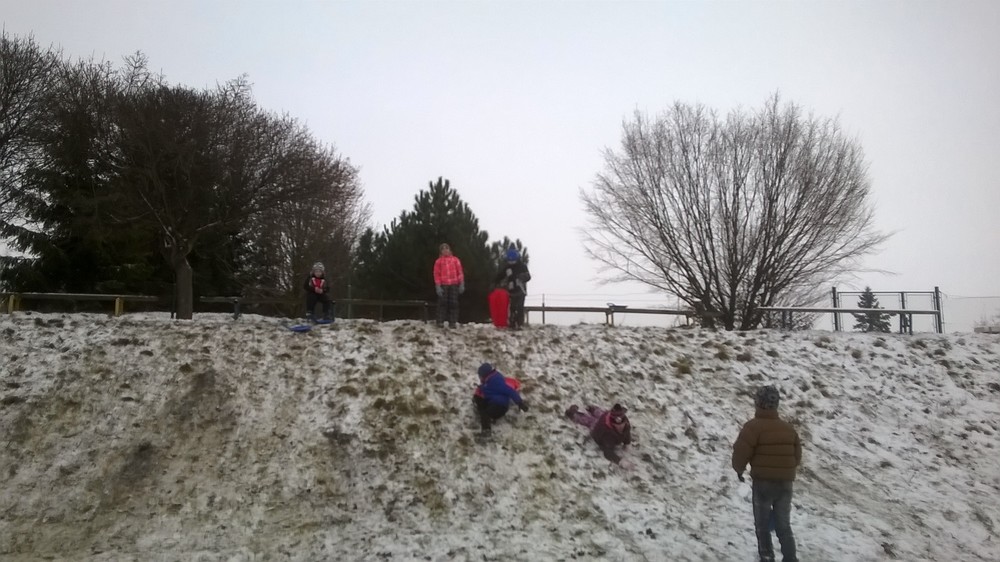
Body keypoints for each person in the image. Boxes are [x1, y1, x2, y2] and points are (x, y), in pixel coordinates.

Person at [732, 385, 802, 562]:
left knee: (762, 525)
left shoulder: (752, 427)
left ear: (758, 403)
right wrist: (784, 471)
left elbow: (741, 452)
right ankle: (790, 558)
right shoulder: (788, 429)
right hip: (785, 484)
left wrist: (739, 469)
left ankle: (767, 557)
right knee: (783, 524)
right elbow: (797, 456)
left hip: (763, 484)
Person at [564, 402, 633, 468]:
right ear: (613, 424)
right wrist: (620, 461)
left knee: (602, 413)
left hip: (605, 416)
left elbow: (626, 432)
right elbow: (608, 452)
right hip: (597, 428)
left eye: (622, 424)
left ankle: (592, 409)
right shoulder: (608, 435)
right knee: (589, 420)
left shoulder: (625, 423)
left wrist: (627, 443)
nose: (621, 426)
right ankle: (573, 413)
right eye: (618, 425)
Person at [473, 362, 528, 436]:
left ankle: (486, 432)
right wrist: (481, 388)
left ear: (484, 375)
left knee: (485, 414)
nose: (479, 378)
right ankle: (485, 415)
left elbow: (510, 391)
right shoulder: (490, 380)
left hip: (499, 406)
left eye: (480, 376)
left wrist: (520, 403)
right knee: (478, 399)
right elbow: (489, 389)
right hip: (494, 403)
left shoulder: (496, 381)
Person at [494, 247, 531, 329]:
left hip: (521, 290)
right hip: (511, 291)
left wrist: (522, 277)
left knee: (520, 306)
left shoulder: (522, 266)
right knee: (512, 307)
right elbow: (500, 275)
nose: (511, 263)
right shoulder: (507, 267)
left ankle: (520, 323)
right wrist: (495, 282)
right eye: (509, 261)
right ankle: (512, 323)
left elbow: (528, 277)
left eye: (513, 261)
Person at [433, 243, 464, 328]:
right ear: (441, 251)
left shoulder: (455, 260)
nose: (445, 250)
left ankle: (452, 322)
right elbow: (436, 274)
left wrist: (461, 283)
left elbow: (460, 272)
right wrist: (438, 286)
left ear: (450, 250)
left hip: (454, 284)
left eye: (446, 248)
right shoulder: (438, 261)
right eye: (443, 249)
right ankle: (440, 321)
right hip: (443, 285)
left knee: (453, 303)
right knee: (442, 303)